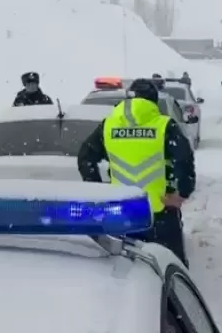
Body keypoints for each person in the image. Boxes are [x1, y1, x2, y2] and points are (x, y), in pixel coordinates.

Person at [77, 78, 196, 264]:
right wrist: (182, 192)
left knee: (122, 267)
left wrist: (99, 192)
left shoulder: (108, 126)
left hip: (121, 210)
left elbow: (85, 157)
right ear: (154, 101)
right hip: (160, 212)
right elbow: (184, 158)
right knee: (170, 267)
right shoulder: (164, 125)